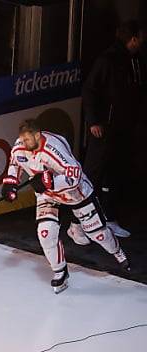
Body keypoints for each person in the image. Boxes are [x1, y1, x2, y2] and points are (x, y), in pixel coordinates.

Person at [1, 120, 129, 293]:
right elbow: (15, 163)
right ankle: (60, 272)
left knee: (97, 233)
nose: (23, 144)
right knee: (45, 233)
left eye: (27, 140)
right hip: (47, 196)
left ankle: (117, 252)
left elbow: (74, 175)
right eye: (21, 140)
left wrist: (51, 182)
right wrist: (10, 183)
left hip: (75, 193)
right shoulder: (20, 147)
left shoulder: (54, 149)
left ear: (38, 136)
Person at [81, 20, 145, 239]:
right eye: (141, 37)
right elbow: (90, 90)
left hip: (122, 128)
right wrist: (93, 121)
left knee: (114, 175)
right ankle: (77, 224)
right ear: (134, 38)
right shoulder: (108, 59)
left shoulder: (133, 60)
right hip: (103, 128)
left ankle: (108, 219)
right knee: (93, 175)